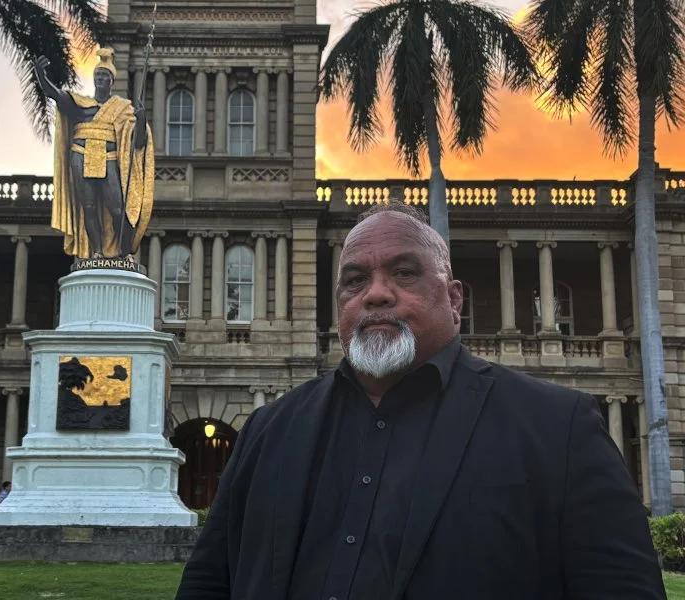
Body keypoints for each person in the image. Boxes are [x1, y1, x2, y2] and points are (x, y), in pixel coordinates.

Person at [174, 201, 665, 600]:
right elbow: (209, 583)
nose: (376, 294)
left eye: (405, 274)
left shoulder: (558, 430)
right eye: (354, 280)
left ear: (454, 300)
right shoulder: (268, 430)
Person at [33, 47, 155, 259]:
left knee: (118, 209)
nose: (100, 79)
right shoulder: (81, 104)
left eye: (104, 76)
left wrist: (141, 119)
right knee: (88, 207)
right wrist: (42, 77)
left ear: (111, 81)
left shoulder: (122, 109)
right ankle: (97, 251)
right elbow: (55, 94)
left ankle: (124, 253)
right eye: (97, 75)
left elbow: (139, 143)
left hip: (108, 158)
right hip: (80, 155)